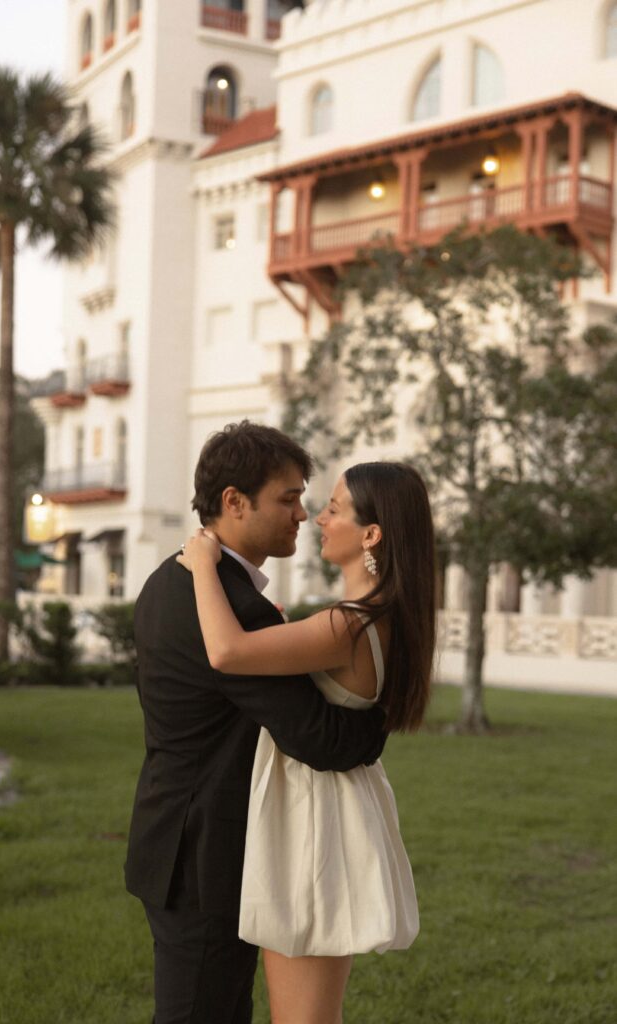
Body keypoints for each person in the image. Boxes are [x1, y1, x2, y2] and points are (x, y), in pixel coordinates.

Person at [125, 422, 388, 1024]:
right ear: (234, 502)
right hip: (205, 855)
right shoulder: (231, 604)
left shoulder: (171, 578)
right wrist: (376, 716)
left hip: (177, 833)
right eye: (288, 498)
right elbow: (320, 738)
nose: (303, 513)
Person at [178, 461, 436, 1024]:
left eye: (335, 509)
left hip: (315, 820)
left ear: (371, 535)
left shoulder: (352, 624)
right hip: (323, 810)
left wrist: (201, 565)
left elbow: (227, 652)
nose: (318, 517)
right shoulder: (376, 618)